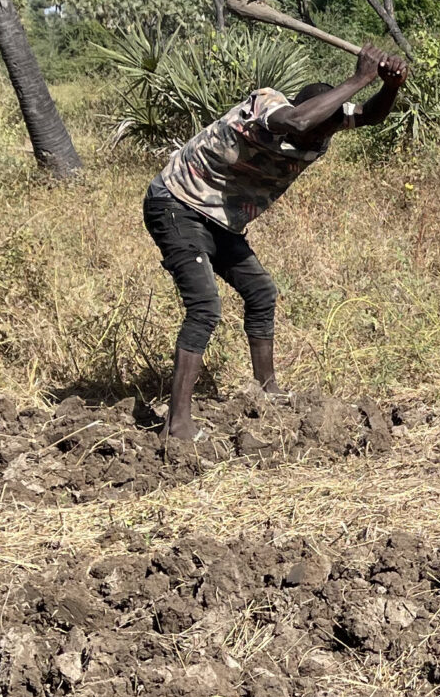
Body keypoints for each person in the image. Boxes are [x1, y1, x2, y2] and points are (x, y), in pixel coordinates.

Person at [143, 53, 408, 441]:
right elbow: (299, 121)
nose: (318, 138)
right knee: (204, 306)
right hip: (177, 202)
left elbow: (369, 115)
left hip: (220, 218)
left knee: (260, 291)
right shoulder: (268, 105)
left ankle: (267, 390)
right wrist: (360, 77)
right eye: (317, 129)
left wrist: (389, 85)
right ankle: (178, 423)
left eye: (327, 131)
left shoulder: (325, 123)